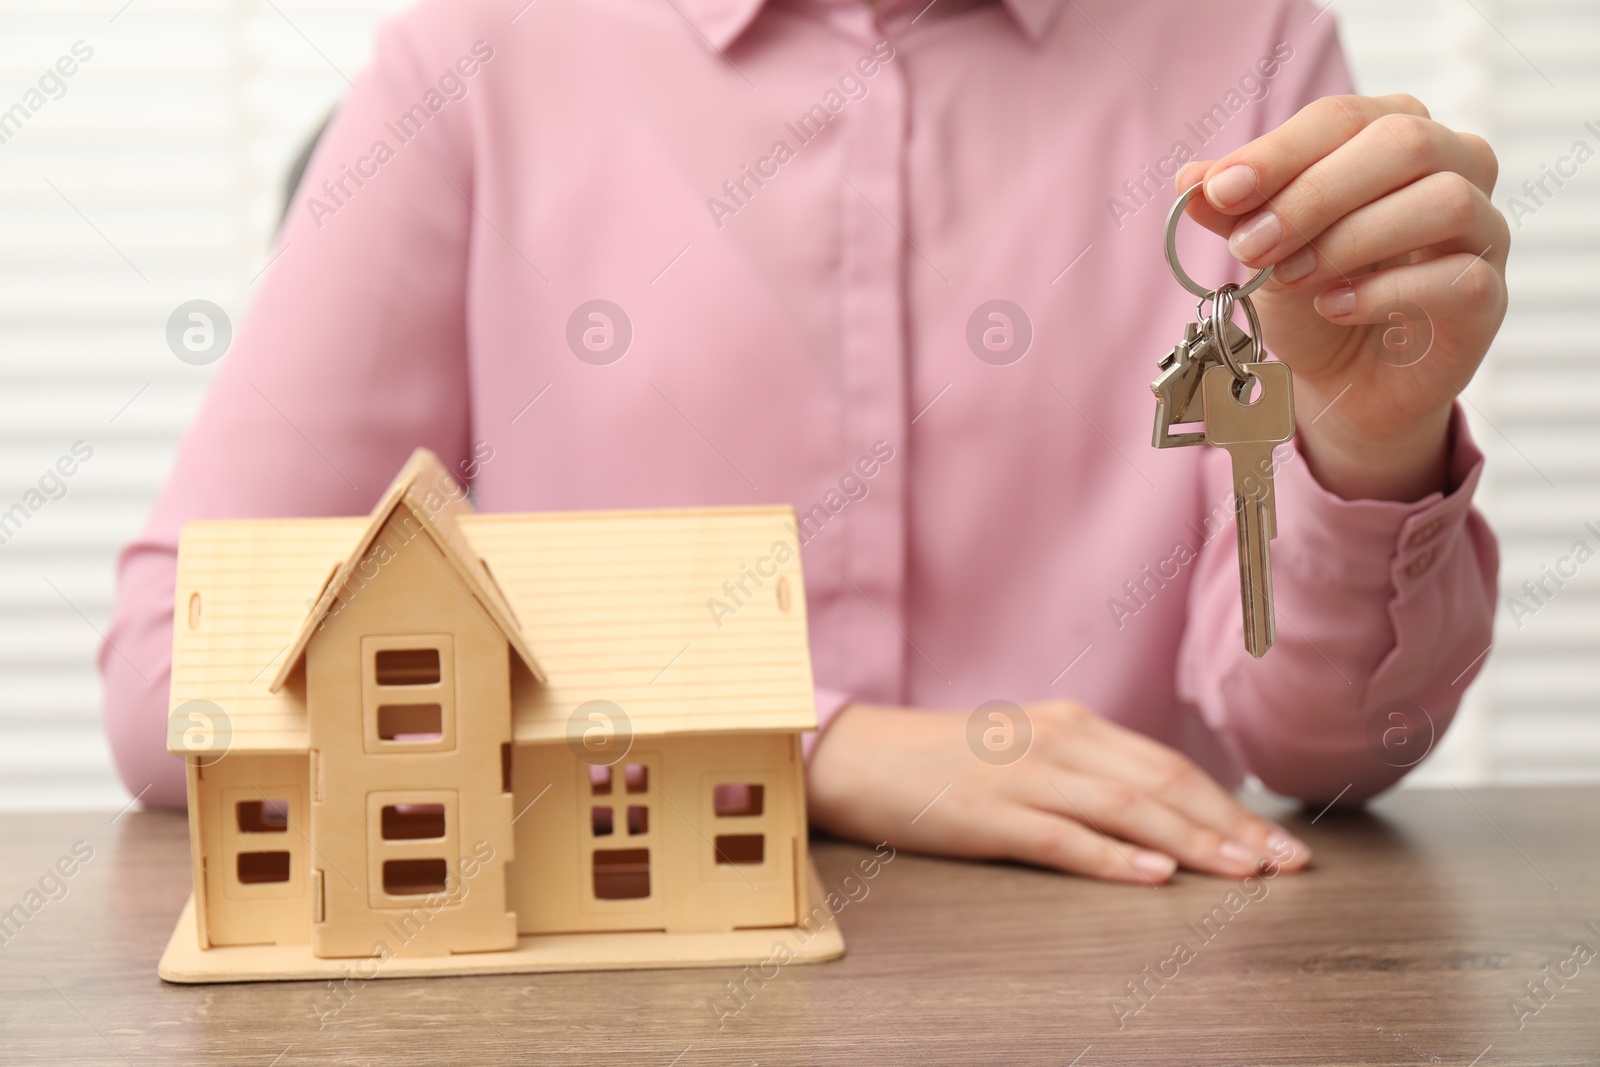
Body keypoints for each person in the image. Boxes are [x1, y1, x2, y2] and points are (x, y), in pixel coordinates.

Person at [100, 0, 1504, 885]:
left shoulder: (1244, 43)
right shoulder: (476, 53)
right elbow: (184, 680)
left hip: (1129, 983)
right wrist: (802, 748)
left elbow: (1333, 754)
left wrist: (1367, 445)